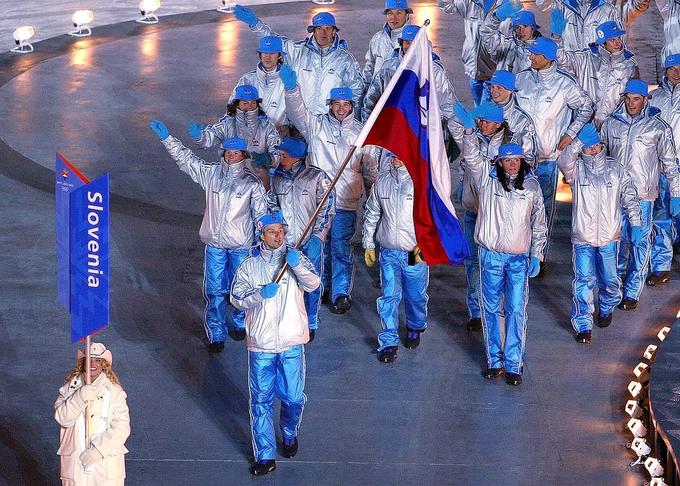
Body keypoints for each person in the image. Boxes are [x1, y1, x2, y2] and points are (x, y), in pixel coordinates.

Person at [150, 120, 267, 351]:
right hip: (214, 245)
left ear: (243, 155)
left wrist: (268, 241)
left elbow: (261, 215)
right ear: (222, 154)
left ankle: (240, 320)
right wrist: (168, 139)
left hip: (241, 247)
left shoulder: (251, 183)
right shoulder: (211, 174)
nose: (232, 157)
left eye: (236, 153)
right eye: (228, 153)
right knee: (214, 290)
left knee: (240, 287)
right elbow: (187, 161)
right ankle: (216, 332)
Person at [455, 102, 547, 386]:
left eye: (516, 160)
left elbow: (539, 224)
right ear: (498, 162)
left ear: (522, 161)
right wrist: (470, 131)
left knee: (517, 309)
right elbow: (470, 155)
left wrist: (537, 254)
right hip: (491, 256)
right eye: (507, 161)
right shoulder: (487, 180)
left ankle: (514, 363)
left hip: (518, 259)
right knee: (492, 308)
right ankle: (494, 360)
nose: (512, 165)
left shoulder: (531, 188)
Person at [281, 65, 378, 314]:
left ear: (352, 106)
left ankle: (340, 292)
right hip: (318, 200)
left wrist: (373, 201)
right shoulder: (316, 127)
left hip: (345, 201)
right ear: (330, 104)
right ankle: (318, 285)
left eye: (346, 104)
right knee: (318, 245)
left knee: (340, 245)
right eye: (337, 104)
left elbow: (369, 169)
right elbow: (297, 111)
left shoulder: (360, 134)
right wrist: (292, 89)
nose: (341, 109)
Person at [231, 212, 320, 476]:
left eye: (280, 230)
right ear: (261, 234)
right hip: (262, 346)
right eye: (272, 232)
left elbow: (314, 284)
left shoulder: (296, 258)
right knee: (260, 401)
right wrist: (259, 294)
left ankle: (290, 431)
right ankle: (265, 454)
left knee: (293, 398)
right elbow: (237, 298)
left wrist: (298, 266)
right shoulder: (249, 266)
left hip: (291, 342)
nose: (278, 236)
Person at [556, 124, 642, 343]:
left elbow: (630, 197)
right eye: (588, 147)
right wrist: (576, 141)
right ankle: (583, 325)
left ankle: (607, 305)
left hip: (608, 238)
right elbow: (562, 160)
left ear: (602, 145)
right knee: (583, 280)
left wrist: (636, 224)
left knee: (610, 279)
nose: (592, 150)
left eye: (595, 146)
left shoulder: (616, 169)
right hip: (583, 237)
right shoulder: (575, 169)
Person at [601, 80, 680, 308]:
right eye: (627, 98)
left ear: (645, 99)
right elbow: (601, 157)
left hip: (643, 195)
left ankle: (632, 292)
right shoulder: (611, 124)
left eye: (636, 98)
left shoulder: (658, 127)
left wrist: (675, 193)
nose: (631, 103)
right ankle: (614, 286)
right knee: (616, 241)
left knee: (639, 243)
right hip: (615, 196)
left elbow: (670, 164)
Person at [515, 37, 594, 264]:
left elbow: (586, 107)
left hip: (548, 159)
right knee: (519, 207)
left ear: (547, 58)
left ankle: (537, 256)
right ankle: (519, 251)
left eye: (535, 54)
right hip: (520, 159)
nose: (530, 57)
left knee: (543, 210)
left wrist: (570, 134)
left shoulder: (565, 84)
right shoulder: (521, 79)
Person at [448, 102, 523, 332]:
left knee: (496, 266)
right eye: (480, 120)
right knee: (472, 263)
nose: (482, 125)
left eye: (487, 121)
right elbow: (452, 124)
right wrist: (471, 119)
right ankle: (476, 311)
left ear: (500, 124)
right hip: (474, 211)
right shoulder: (474, 137)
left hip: (501, 217)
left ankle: (496, 309)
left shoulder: (511, 145)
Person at [233, 6, 364, 117]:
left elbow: (356, 90)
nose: (323, 33)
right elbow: (273, 41)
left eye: (328, 28)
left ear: (334, 31)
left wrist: (353, 121)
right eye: (319, 28)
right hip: (298, 122)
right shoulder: (298, 51)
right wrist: (255, 23)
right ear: (313, 31)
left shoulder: (345, 59)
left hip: (328, 124)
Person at [363, 154, 429, 363]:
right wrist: (369, 244)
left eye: (401, 154)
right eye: (393, 155)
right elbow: (372, 212)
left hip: (414, 251)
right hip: (389, 250)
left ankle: (415, 325)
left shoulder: (420, 181)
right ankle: (388, 341)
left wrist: (426, 243)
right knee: (389, 295)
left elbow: (432, 217)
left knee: (415, 294)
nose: (396, 158)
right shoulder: (382, 181)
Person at [268, 137, 335, 339]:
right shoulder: (278, 178)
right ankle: (288, 321)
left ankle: (311, 321)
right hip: (286, 244)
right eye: (280, 155)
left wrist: (318, 237)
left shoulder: (317, 177)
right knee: (285, 285)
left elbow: (327, 208)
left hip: (309, 243)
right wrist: (275, 221)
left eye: (284, 156)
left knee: (311, 283)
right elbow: (272, 201)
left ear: (297, 158)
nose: (280, 159)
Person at [55, 342, 130, 485]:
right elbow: (63, 418)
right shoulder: (69, 390)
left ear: (104, 365)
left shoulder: (115, 392)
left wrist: (98, 451)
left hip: (105, 464)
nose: (92, 363)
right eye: (89, 359)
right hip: (76, 464)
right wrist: (79, 397)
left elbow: (122, 428)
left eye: (98, 360)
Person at [188, 85, 280, 189]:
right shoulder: (227, 124)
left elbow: (278, 153)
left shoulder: (267, 127)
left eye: (253, 103)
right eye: (245, 103)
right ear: (237, 105)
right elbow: (210, 139)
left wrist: (270, 158)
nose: (250, 106)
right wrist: (200, 137)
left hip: (258, 186)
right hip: (229, 184)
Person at [553, 18, 640, 128]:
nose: (618, 42)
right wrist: (556, 38)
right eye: (612, 40)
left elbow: (634, 95)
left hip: (613, 128)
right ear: (603, 42)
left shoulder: (630, 65)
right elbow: (561, 59)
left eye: (618, 38)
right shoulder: (586, 59)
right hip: (584, 127)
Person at [362, 25, 458, 123]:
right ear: (401, 43)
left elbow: (448, 105)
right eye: (407, 42)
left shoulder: (434, 71)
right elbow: (371, 100)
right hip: (393, 128)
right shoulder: (388, 68)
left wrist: (461, 135)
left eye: (415, 43)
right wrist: (366, 128)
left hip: (423, 129)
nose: (410, 46)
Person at [650, 52, 680, 272]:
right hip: (662, 166)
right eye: (672, 69)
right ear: (665, 71)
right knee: (661, 214)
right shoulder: (655, 98)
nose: (676, 73)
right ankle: (661, 265)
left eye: (679, 68)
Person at [439, 0, 500, 106]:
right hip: (474, 65)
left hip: (496, 65)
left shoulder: (504, 4)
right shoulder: (469, 3)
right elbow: (447, 7)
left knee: (491, 109)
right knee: (478, 106)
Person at [230, 36, 290, 137]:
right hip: (250, 138)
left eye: (272, 53)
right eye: (265, 53)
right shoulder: (247, 79)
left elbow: (297, 111)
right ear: (260, 54)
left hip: (280, 139)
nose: (267, 57)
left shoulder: (288, 81)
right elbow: (232, 108)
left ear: (279, 55)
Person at [536, 0, 648, 51]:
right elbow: (542, 4)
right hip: (569, 68)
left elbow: (618, 44)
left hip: (598, 71)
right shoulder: (562, 6)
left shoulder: (608, 9)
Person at [484, 70, 538, 164]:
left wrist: (518, 176)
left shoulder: (522, 120)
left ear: (510, 91)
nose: (494, 91)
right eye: (492, 87)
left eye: (499, 88)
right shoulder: (481, 113)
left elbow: (528, 156)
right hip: (481, 174)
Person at [362, 0, 413, 91]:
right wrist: (365, 95)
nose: (394, 17)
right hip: (377, 99)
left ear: (407, 15)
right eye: (390, 13)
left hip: (402, 99)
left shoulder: (415, 39)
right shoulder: (377, 38)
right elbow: (369, 69)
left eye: (399, 13)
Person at [480, 5, 542, 75]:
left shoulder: (544, 49)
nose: (521, 31)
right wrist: (496, 17)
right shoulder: (505, 46)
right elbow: (486, 32)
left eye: (525, 26)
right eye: (517, 27)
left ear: (533, 28)